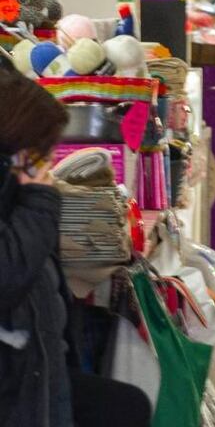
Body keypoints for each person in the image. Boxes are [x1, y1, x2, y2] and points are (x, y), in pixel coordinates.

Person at [0, 69, 151, 427]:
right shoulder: (29, 194)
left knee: (125, 406)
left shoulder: (15, 192)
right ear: (19, 146)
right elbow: (8, 274)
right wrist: (39, 195)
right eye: (43, 151)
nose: (48, 162)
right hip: (18, 384)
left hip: (38, 374)